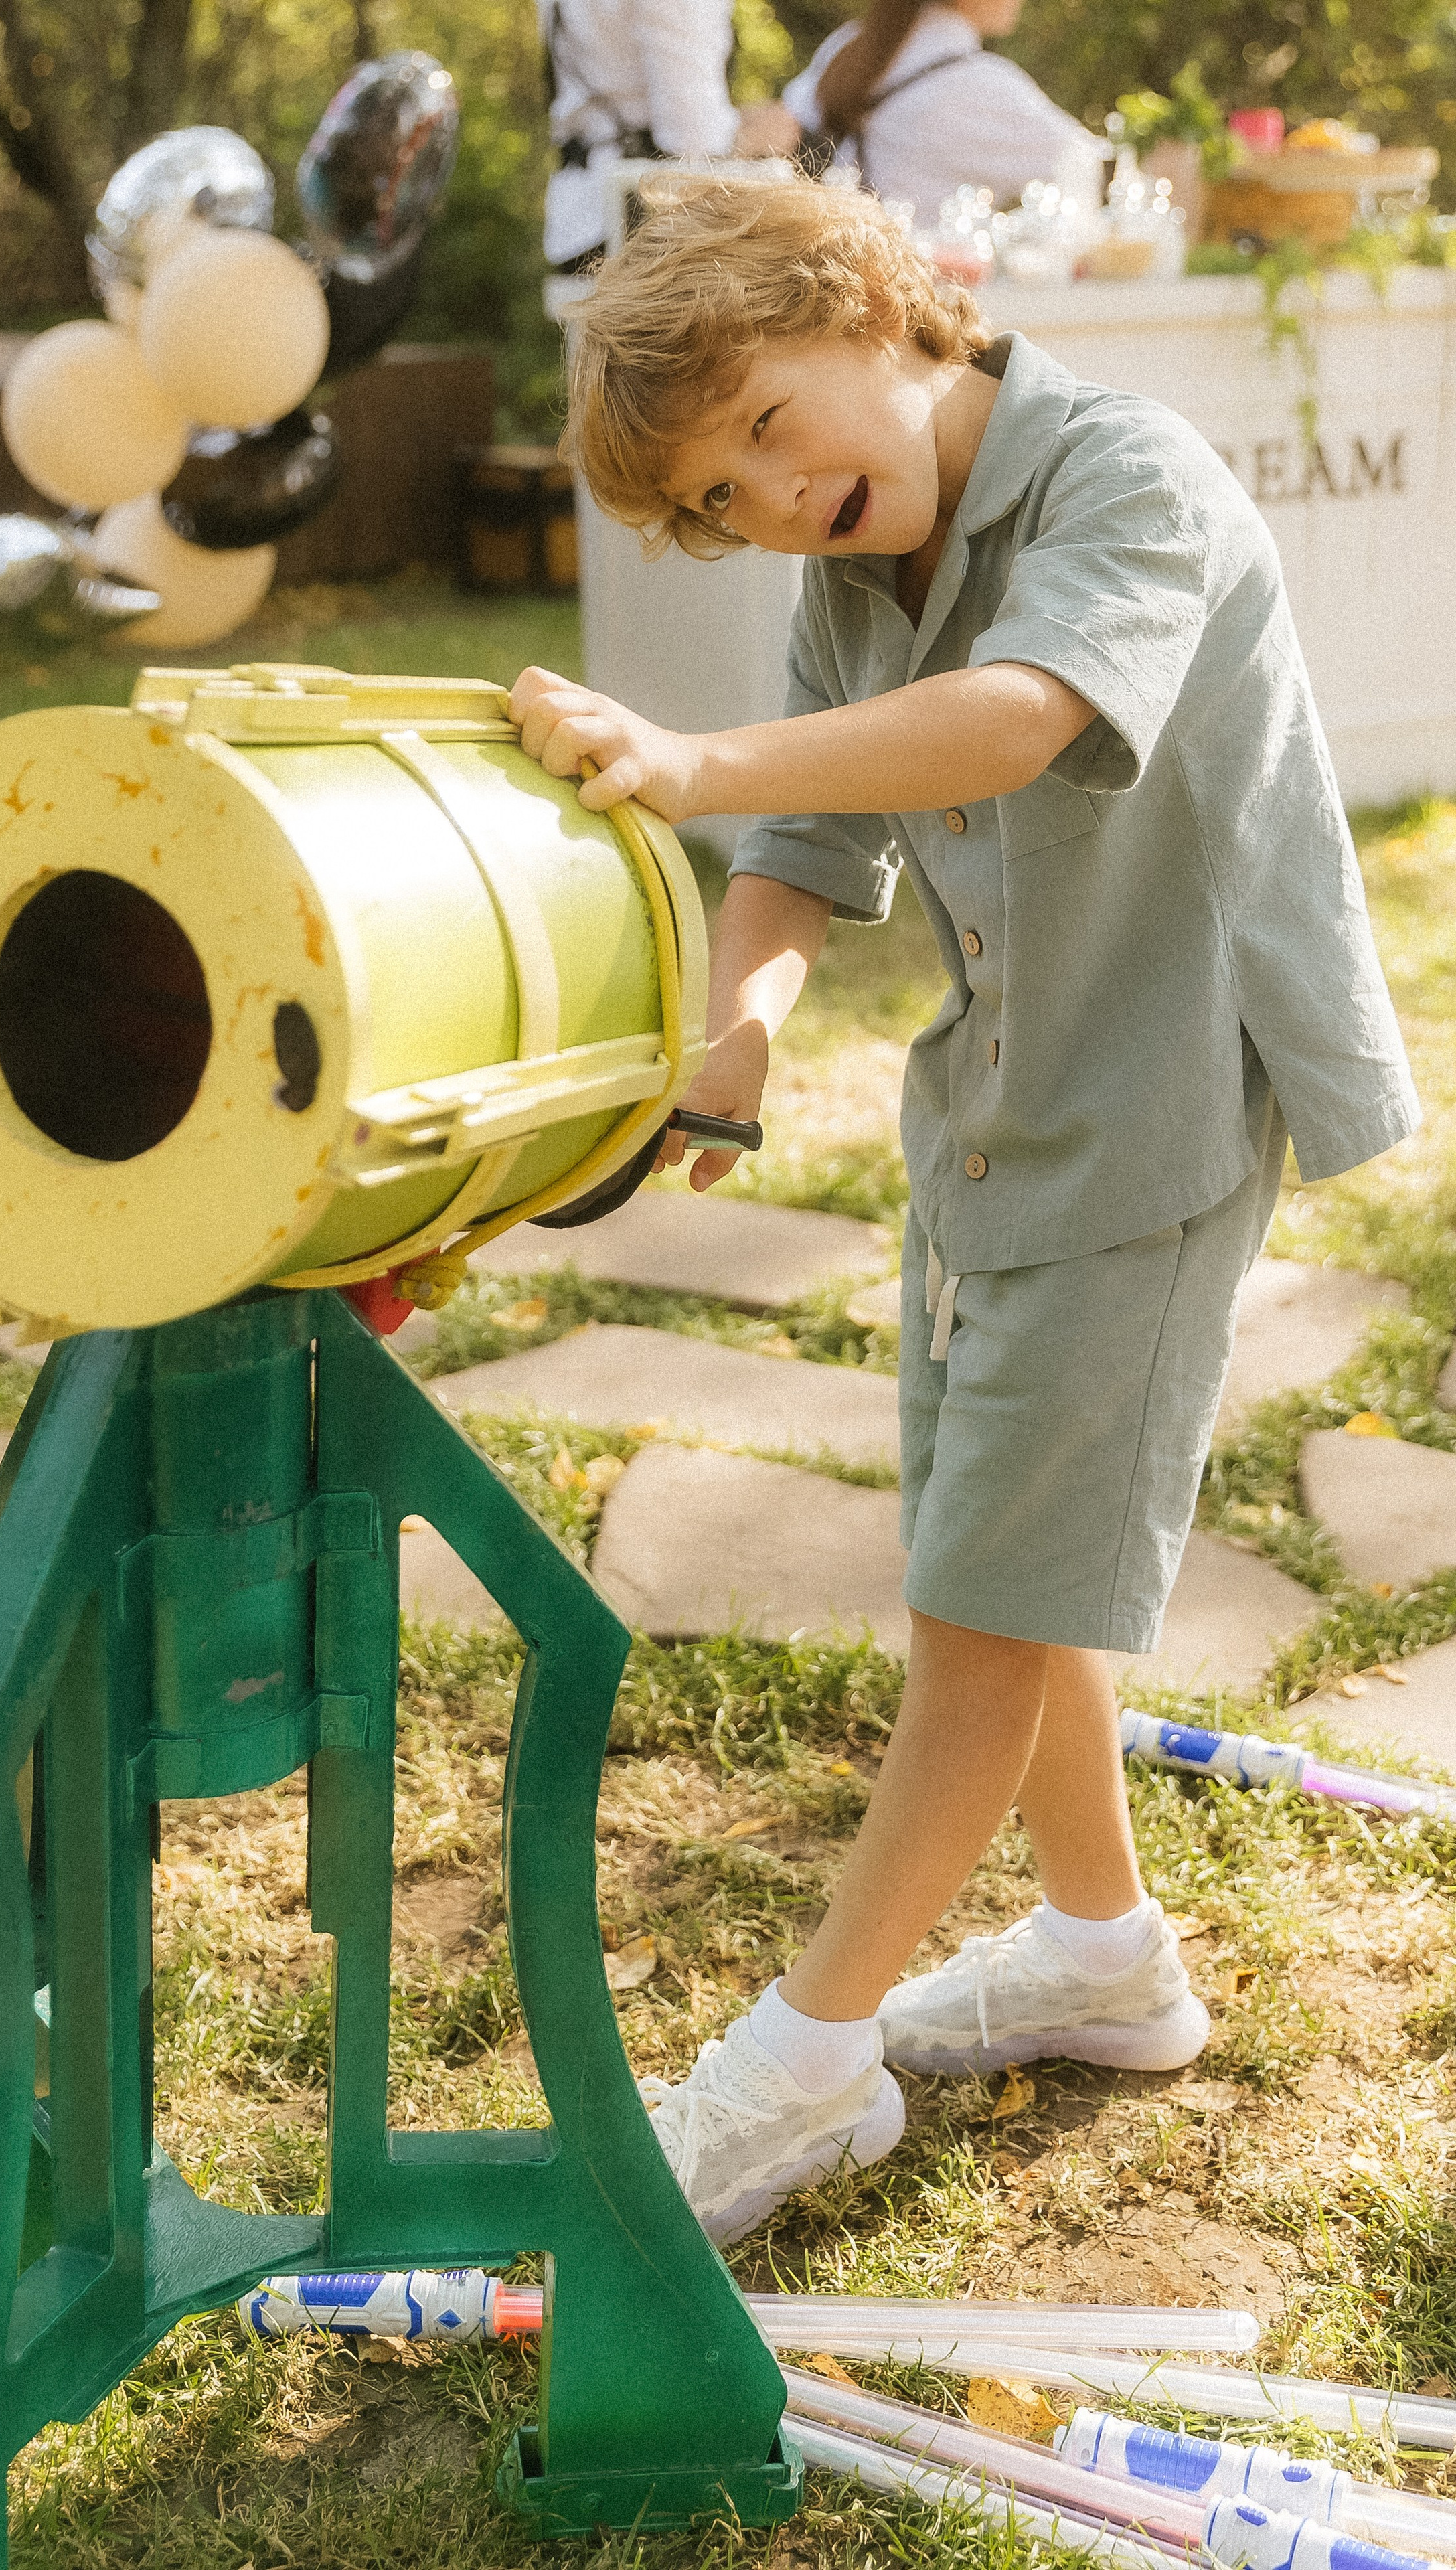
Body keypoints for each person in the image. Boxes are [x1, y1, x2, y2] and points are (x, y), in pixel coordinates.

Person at [508, 177, 1418, 2250]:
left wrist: (682, 744)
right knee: (993, 1552)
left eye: (761, 421)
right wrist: (732, 1040)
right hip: (999, 1120)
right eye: (719, 500)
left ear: (868, 303)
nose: (765, 491)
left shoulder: (1129, 476)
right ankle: (1102, 1955)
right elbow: (807, 843)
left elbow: (1020, 716)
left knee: (984, 1610)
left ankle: (798, 2069)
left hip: (1166, 1105)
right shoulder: (851, 578)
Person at [539, 0, 802, 273]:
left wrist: (737, 118)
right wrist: (765, 134)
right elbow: (693, 139)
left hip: (576, 221)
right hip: (642, 229)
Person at [785, 0, 1104, 219]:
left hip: (842, 280)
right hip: (925, 296)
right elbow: (1095, 170)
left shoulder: (847, 46)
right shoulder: (978, 84)